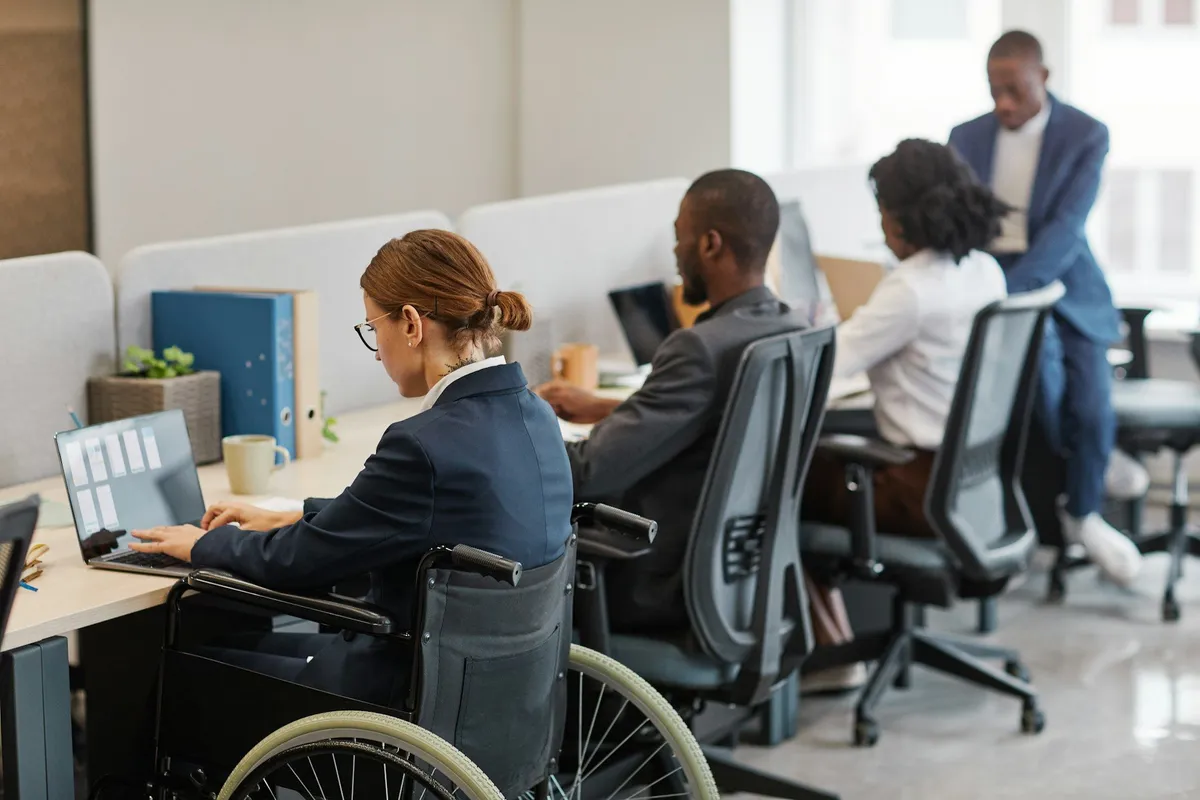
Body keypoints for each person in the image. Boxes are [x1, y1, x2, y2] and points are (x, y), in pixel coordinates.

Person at [130, 229, 574, 707]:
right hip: (493, 692)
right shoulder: (536, 415)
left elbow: (296, 562)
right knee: (231, 649)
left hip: (398, 697)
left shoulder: (423, 445)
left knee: (182, 672)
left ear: (410, 324)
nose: (378, 350)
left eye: (372, 328)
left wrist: (203, 544)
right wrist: (296, 514)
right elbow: (411, 515)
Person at [538, 169, 809, 631]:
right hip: (743, 579)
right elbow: (724, 419)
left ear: (710, 244)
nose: (675, 254)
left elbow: (586, 473)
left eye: (678, 238)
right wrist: (607, 408)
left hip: (655, 584)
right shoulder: (790, 328)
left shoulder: (699, 349)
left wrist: (519, 425)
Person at [801, 140, 1010, 690]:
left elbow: (819, 374)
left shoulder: (911, 289)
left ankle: (832, 653)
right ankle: (834, 643)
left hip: (914, 489)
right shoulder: (984, 271)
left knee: (774, 485)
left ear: (899, 216)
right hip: (970, 485)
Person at [949, 30, 1142, 585]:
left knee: (1092, 405)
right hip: (995, 279)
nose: (1003, 103)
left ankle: (1084, 510)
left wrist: (1009, 292)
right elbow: (959, 222)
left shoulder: (1086, 134)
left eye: (1015, 89)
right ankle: (1091, 471)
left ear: (1044, 78)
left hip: (1063, 282)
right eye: (994, 90)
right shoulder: (965, 136)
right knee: (1044, 402)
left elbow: (1065, 229)